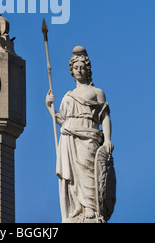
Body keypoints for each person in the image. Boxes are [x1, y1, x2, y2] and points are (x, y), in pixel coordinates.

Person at [46, 46, 113, 222]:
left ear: (87, 69)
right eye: (76, 68)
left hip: (90, 136)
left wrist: (107, 140)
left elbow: (104, 116)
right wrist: (50, 108)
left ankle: (91, 206)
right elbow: (63, 121)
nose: (79, 71)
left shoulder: (97, 92)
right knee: (74, 178)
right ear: (72, 70)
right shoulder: (68, 96)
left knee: (89, 171)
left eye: (82, 67)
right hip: (70, 138)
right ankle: (78, 207)